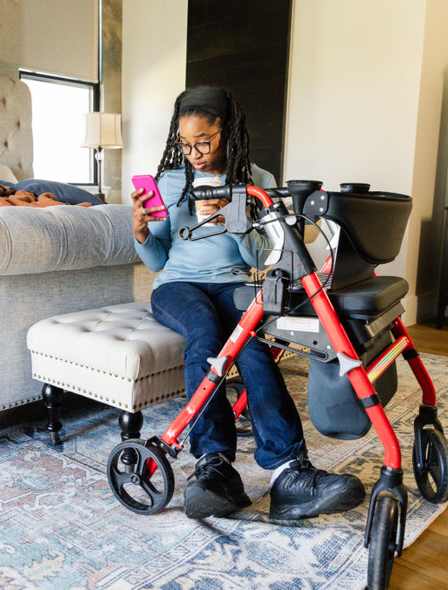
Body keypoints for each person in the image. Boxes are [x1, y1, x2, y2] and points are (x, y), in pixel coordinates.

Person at [131, 86, 365, 520]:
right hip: (178, 286)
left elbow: (262, 259)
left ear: (228, 131)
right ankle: (214, 465)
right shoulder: (169, 182)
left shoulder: (257, 181)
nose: (194, 155)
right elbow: (158, 260)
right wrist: (142, 232)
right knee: (204, 335)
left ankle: (289, 472)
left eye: (204, 142)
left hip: (235, 285)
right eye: (186, 144)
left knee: (254, 348)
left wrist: (235, 221)